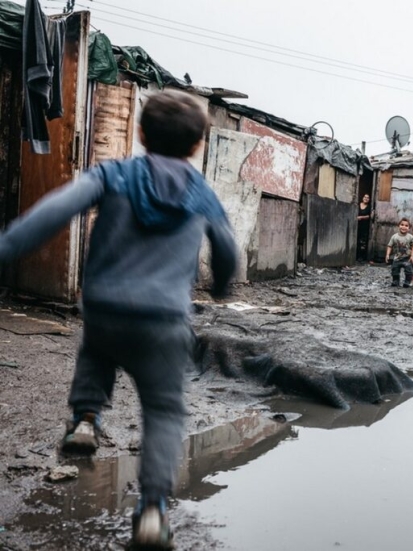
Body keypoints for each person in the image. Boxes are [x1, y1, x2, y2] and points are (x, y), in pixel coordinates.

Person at [0, 90, 237, 550]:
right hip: (165, 321)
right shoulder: (201, 193)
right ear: (196, 146)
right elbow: (226, 250)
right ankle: (151, 513)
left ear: (141, 133)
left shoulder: (115, 174)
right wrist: (223, 285)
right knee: (165, 411)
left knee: (96, 350)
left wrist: (8, 247)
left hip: (106, 309)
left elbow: (56, 210)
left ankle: (86, 419)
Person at [385, 217, 413, 287]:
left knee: (409, 271)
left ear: (409, 228)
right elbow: (389, 246)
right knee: (394, 270)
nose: (404, 227)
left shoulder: (410, 237)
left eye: (406, 225)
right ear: (398, 225)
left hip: (407, 258)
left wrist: (412, 256)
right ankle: (396, 281)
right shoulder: (394, 237)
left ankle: (407, 281)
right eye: (402, 224)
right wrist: (387, 254)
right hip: (397, 258)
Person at [356, 193, 371, 261]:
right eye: (365, 197)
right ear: (362, 198)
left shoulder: (369, 207)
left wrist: (361, 217)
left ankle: (361, 257)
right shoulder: (358, 205)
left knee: (363, 242)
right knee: (356, 240)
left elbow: (369, 216)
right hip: (356, 225)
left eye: (367, 198)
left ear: (369, 199)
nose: (366, 198)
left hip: (364, 226)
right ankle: (355, 255)